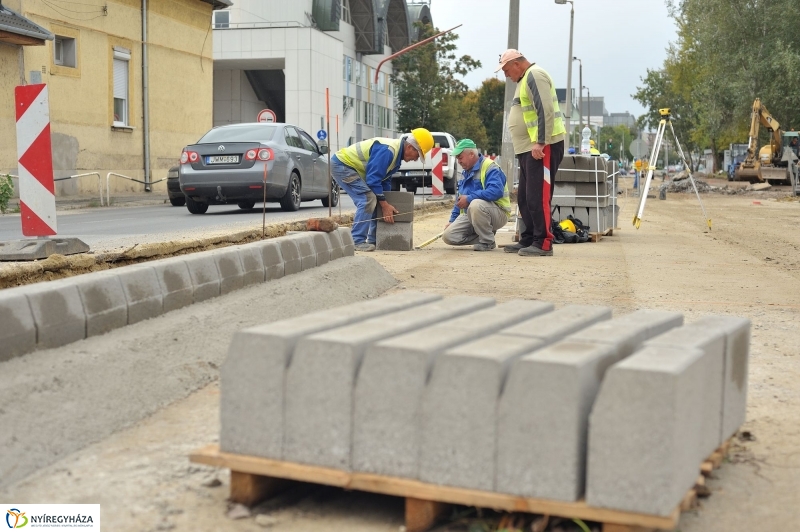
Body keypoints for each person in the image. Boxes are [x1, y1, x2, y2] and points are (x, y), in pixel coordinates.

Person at [496, 49, 565, 257]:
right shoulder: (524, 80)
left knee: (538, 196)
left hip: (542, 147)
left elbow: (545, 110)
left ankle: (543, 242)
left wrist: (540, 142)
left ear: (517, 64)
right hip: (528, 148)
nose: (506, 75)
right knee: (526, 197)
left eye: (507, 70)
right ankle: (528, 238)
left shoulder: (535, 75)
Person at [331, 129, 434, 251]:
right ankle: (356, 241)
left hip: (350, 167)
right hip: (342, 165)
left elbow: (384, 180)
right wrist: (385, 205)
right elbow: (373, 180)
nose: (416, 159)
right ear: (410, 147)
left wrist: (386, 201)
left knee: (378, 201)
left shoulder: (396, 158)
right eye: (418, 155)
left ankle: (374, 239)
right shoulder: (388, 151)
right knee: (368, 199)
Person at [442, 139, 511, 251]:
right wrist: (452, 221)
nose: (458, 161)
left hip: (498, 212)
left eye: (460, 157)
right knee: (448, 236)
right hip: (473, 213)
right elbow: (459, 200)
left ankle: (487, 241)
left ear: (471, 154)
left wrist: (469, 198)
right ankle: (485, 233)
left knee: (475, 204)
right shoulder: (464, 172)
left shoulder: (490, 167)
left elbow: (496, 191)